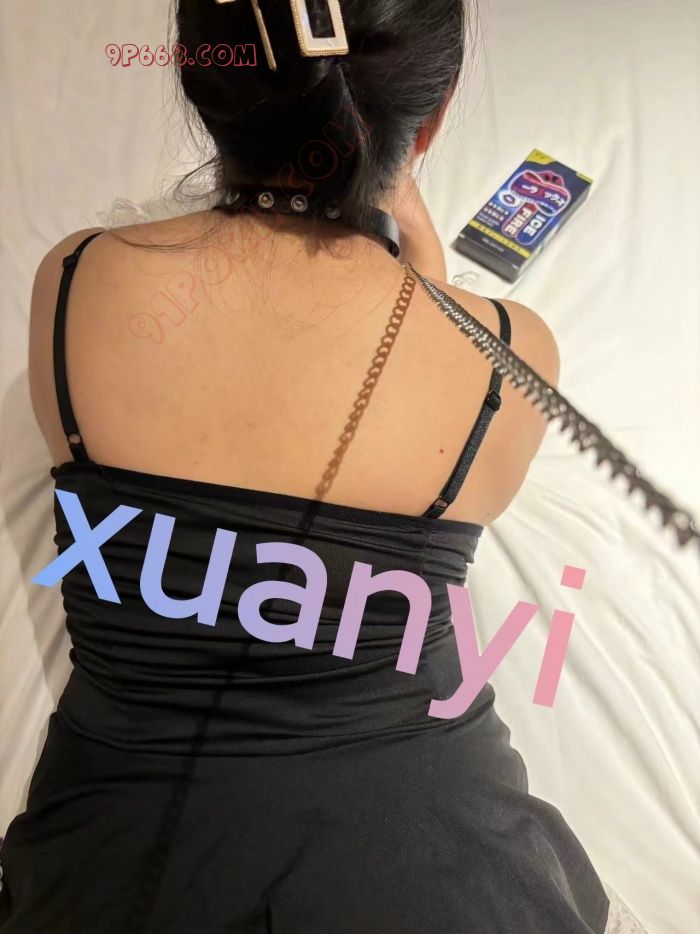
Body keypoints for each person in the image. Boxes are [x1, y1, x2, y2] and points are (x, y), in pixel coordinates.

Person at [0, 0, 613, 930]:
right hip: (432, 861)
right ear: (434, 114)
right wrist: (421, 265)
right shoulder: (507, 357)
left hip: (115, 854)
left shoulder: (74, 276)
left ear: (200, 77)